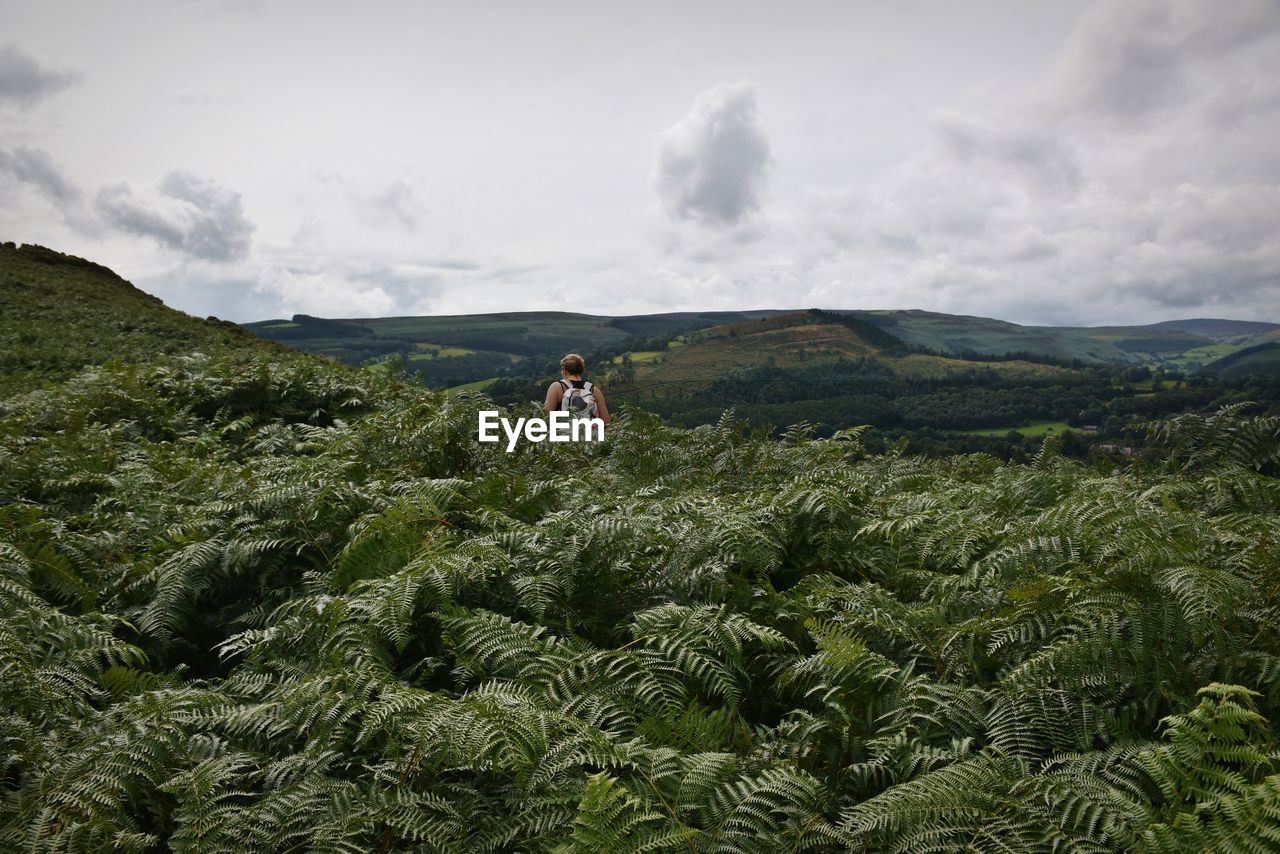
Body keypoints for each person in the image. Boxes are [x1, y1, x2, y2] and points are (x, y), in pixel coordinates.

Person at [543, 353, 610, 424]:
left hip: (566, 434)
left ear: (564, 371)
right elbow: (606, 420)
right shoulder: (594, 390)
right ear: (581, 370)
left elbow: (545, 417)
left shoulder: (557, 387)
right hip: (589, 434)